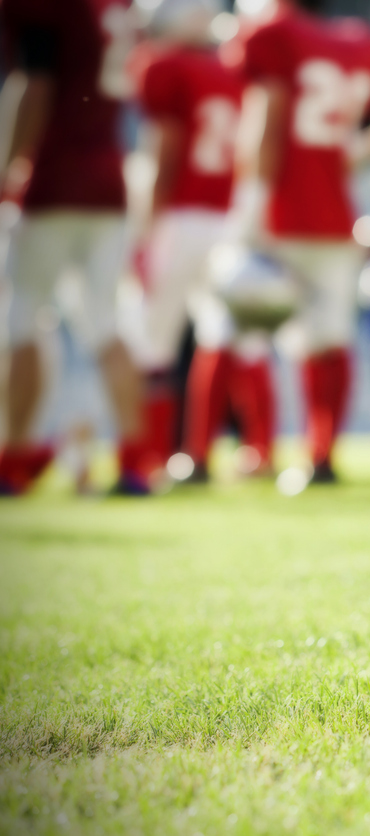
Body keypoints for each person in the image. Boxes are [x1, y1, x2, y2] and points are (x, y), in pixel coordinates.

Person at [231, 0, 370, 484]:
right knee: (330, 336)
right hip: (336, 214)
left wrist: (252, 202)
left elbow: (267, 119)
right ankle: (322, 454)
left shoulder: (271, 32)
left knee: (240, 332)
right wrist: (347, 155)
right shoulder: (357, 40)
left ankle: (258, 450)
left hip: (283, 209)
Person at [0, 0, 148, 495]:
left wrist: (8, 167)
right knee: (105, 321)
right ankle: (133, 456)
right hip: (110, 174)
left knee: (23, 316)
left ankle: (15, 454)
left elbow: (36, 86)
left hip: (57, 177)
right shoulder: (116, 7)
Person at [130, 0, 277, 484]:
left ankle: (152, 457)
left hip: (181, 216)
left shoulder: (165, 65)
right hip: (230, 218)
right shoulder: (234, 69)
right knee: (235, 338)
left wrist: (145, 228)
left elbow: (164, 151)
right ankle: (253, 450)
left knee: (155, 341)